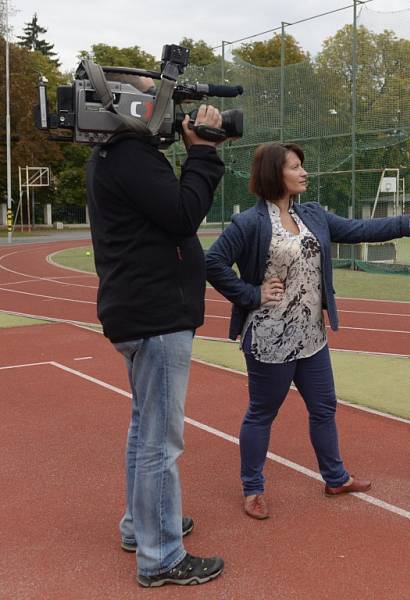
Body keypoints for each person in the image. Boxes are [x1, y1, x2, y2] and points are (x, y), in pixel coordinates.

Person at [205, 142, 410, 520]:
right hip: (271, 338)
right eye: (295, 167)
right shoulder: (249, 223)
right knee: (262, 413)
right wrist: (250, 294)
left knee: (324, 407)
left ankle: (335, 477)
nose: (304, 172)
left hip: (311, 337)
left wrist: (409, 222)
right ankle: (253, 489)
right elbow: (212, 262)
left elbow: (359, 229)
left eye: (302, 166)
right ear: (273, 175)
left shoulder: (311, 214)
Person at [86, 72, 225, 587]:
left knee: (144, 429)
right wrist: (204, 154)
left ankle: (141, 526)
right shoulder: (130, 157)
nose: (166, 107)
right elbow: (184, 213)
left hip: (142, 312)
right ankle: (162, 555)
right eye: (155, 95)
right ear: (127, 104)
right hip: (155, 316)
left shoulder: (114, 155)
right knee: (159, 441)